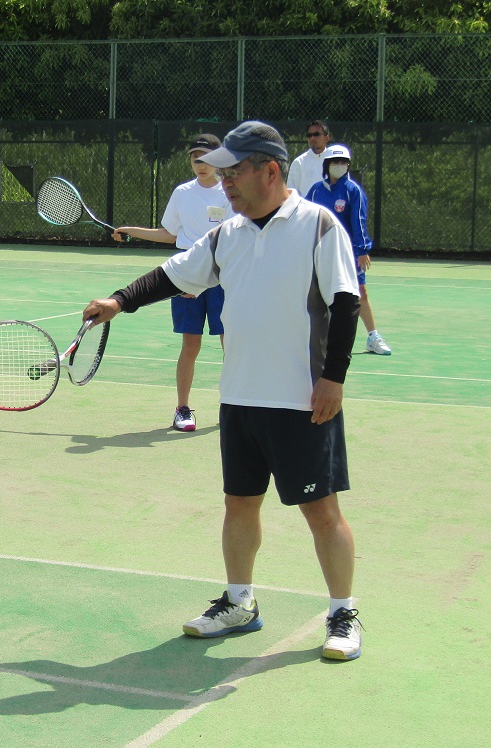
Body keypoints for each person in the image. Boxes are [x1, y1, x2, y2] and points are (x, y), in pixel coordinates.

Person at [83, 121, 365, 661]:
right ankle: (240, 603)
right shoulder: (226, 234)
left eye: (234, 171)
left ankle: (342, 612)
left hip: (303, 400)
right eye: (221, 170)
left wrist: (334, 378)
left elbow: (345, 303)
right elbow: (174, 274)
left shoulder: (319, 226)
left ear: (271, 170)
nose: (224, 180)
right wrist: (120, 300)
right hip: (240, 397)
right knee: (240, 505)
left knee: (322, 512)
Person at [113, 134, 230, 432]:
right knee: (190, 345)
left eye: (205, 158)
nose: (200, 164)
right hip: (185, 277)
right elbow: (169, 233)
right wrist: (132, 231)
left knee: (233, 345)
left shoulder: (230, 191)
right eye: (195, 158)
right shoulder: (182, 193)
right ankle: (182, 409)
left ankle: (237, 406)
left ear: (218, 160)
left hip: (223, 277)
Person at [307, 144, 392, 355]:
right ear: (327, 165)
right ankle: (317, 336)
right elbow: (306, 219)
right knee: (318, 295)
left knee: (360, 292)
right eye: (335, 162)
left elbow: (359, 221)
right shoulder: (316, 190)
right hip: (320, 251)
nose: (340, 166)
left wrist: (363, 250)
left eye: (344, 162)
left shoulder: (353, 190)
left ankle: (373, 336)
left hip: (348, 252)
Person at [287, 119, 331, 197]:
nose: (312, 138)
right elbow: (291, 194)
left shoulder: (336, 160)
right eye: (309, 135)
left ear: (327, 138)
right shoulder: (299, 162)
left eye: (316, 134)